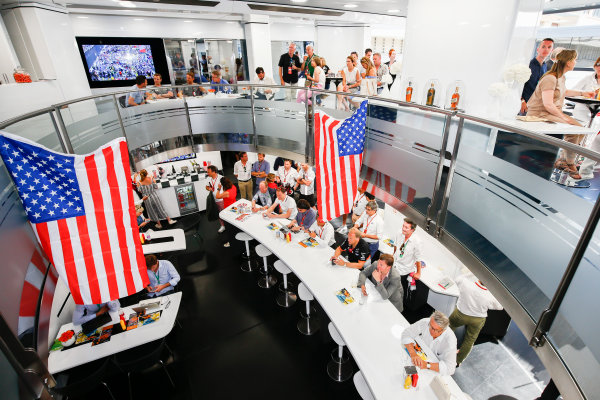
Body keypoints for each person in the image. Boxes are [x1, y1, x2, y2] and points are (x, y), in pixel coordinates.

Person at [526, 49, 595, 180]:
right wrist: (563, 117)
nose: (575, 62)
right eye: (574, 60)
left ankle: (563, 159)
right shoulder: (550, 78)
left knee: (581, 129)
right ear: (568, 62)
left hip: (551, 112)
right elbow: (548, 104)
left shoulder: (561, 77)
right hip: (541, 113)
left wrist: (582, 93)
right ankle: (568, 162)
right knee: (574, 130)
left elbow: (564, 91)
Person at [449, 275, 503, 365]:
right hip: (477, 320)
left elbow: (457, 278)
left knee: (448, 328)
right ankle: (458, 361)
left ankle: (440, 345)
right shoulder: (490, 296)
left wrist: (471, 274)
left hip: (460, 314)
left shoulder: (465, 283)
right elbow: (500, 307)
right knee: (469, 340)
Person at [568, 56, 600, 184]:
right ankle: (576, 167)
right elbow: (572, 92)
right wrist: (583, 93)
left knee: (594, 142)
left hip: (596, 114)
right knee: (583, 140)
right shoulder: (588, 78)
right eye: (598, 64)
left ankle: (583, 170)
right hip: (583, 112)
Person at [402, 311, 457, 376]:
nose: (430, 330)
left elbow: (450, 369)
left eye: (434, 329)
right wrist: (413, 354)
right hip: (420, 353)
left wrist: (426, 365)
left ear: (443, 330)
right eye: (430, 326)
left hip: (433, 366)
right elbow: (406, 333)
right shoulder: (426, 322)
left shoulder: (450, 341)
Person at [393, 218, 423, 306]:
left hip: (404, 270)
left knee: (400, 291)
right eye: (403, 226)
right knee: (391, 286)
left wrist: (418, 273)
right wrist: (393, 255)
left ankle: (400, 307)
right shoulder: (399, 233)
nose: (403, 229)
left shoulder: (417, 241)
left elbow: (418, 258)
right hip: (395, 265)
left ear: (412, 230)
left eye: (406, 227)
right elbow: (395, 246)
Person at [520, 38, 554, 114]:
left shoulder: (545, 67)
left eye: (549, 47)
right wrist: (522, 101)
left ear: (551, 50)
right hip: (524, 106)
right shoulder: (528, 65)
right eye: (543, 47)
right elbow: (518, 85)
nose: (546, 49)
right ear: (538, 49)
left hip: (536, 106)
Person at [215, 177, 237, 247]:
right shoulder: (233, 187)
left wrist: (218, 188)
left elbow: (217, 196)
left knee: (229, 228)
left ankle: (231, 241)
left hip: (228, 210)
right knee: (234, 226)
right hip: (234, 207)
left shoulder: (226, 193)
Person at [205, 165, 226, 233]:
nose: (207, 173)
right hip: (214, 200)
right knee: (219, 214)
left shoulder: (221, 178)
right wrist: (209, 188)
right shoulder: (209, 178)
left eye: (209, 172)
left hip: (222, 200)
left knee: (225, 213)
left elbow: (227, 188)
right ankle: (222, 225)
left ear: (213, 172)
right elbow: (206, 187)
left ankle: (228, 225)